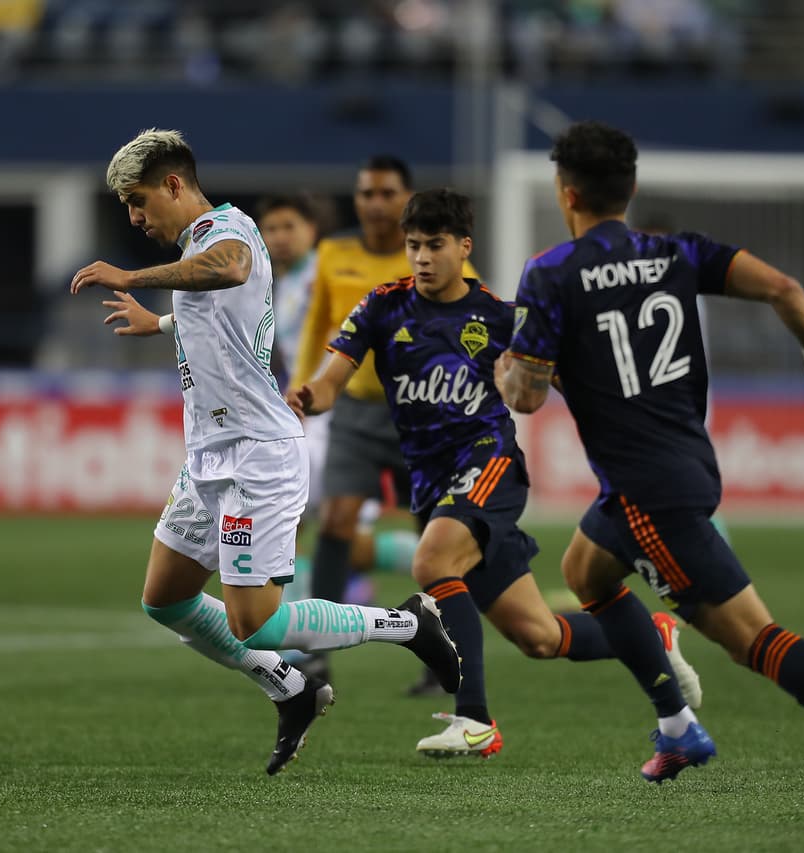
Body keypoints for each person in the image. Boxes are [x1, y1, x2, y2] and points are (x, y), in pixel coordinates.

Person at [495, 120, 804, 829]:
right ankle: (677, 726)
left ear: (566, 192)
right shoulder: (676, 253)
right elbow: (784, 288)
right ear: (632, 188)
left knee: (754, 641)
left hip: (650, 493)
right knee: (586, 570)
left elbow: (524, 395)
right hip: (675, 467)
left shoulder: (553, 271)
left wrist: (505, 363)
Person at [69, 128, 460, 776]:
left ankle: (410, 624)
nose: (135, 217)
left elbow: (232, 270)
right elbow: (216, 310)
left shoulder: (233, 231)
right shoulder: (195, 247)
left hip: (257, 454)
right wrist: (159, 321)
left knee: (258, 623)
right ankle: (294, 689)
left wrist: (132, 276)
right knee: (165, 598)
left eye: (139, 201)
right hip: (208, 458)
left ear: (173, 184)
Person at [288, 188, 701, 758]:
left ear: (464, 247)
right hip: (434, 485)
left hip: (489, 465)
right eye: (414, 246)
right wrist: (308, 396)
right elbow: (333, 379)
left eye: (435, 245)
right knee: (539, 636)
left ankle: (474, 720)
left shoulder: (500, 318)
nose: (423, 257)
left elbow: (569, 383)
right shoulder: (382, 304)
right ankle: (650, 638)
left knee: (430, 560)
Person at [289, 156, 477, 692]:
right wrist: (306, 385)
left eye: (385, 193)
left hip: (424, 417)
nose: (374, 203)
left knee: (431, 540)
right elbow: (317, 329)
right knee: (336, 521)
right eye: (365, 192)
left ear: (406, 198)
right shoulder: (334, 253)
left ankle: (445, 660)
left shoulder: (432, 255)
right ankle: (317, 652)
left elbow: (477, 324)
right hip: (354, 410)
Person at [256, 194, 419, 602]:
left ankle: (454, 563)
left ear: (313, 231)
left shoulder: (321, 272)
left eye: (288, 227)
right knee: (287, 522)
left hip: (337, 415)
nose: (278, 237)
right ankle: (298, 628)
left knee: (334, 535)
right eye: (270, 229)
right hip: (305, 416)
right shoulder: (281, 282)